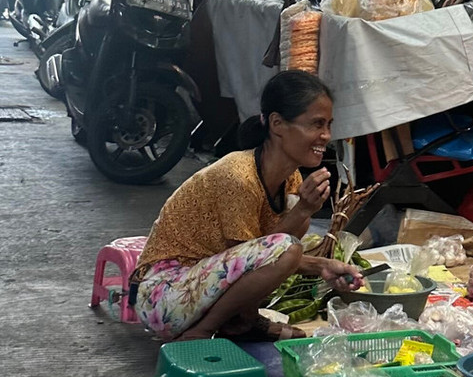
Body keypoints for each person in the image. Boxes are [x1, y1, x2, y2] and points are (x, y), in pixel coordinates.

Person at [131, 70, 363, 343]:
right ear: (277, 123)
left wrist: (323, 266)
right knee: (288, 247)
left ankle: (241, 322)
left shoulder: (291, 178)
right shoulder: (238, 177)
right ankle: (201, 332)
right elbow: (262, 257)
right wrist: (303, 210)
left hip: (198, 286)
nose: (325, 136)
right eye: (316, 124)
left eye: (328, 125)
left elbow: (262, 256)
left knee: (290, 244)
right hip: (162, 297)